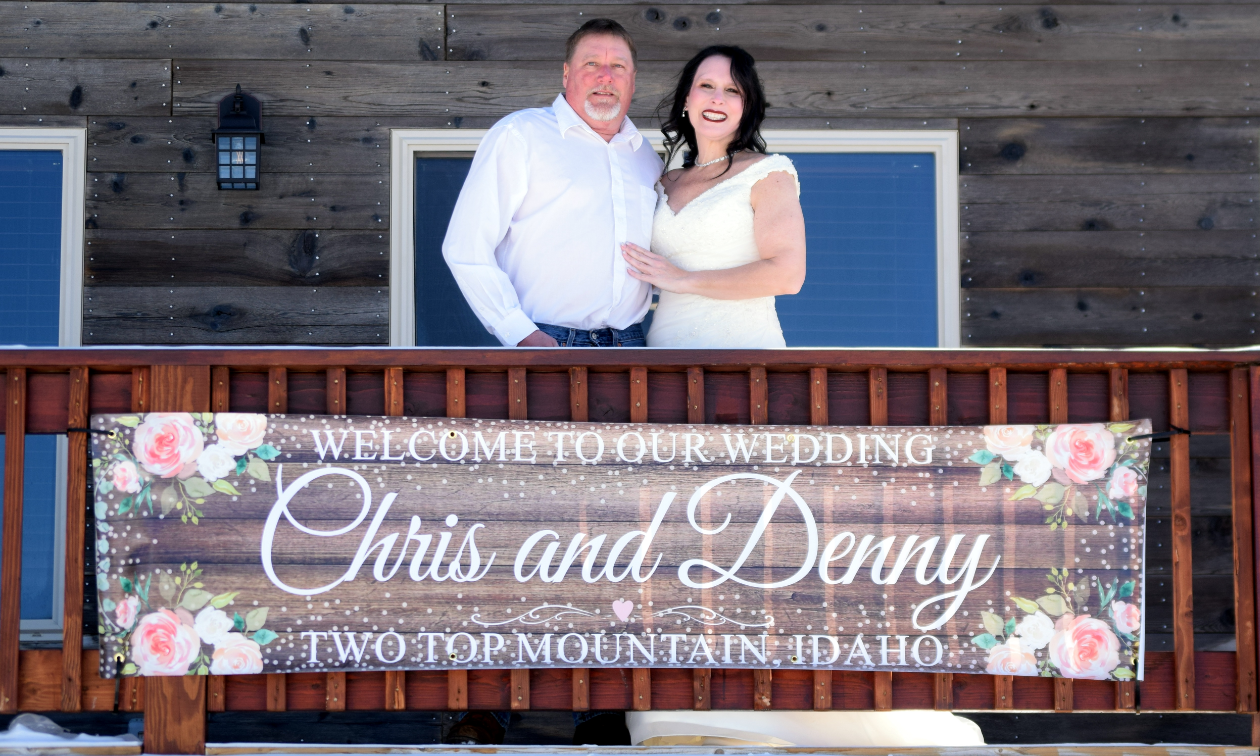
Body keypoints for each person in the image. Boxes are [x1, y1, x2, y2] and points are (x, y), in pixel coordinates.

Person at [441, 19, 661, 348]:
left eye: (618, 65)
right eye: (591, 64)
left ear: (632, 80)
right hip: (547, 342)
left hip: (631, 345)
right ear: (566, 74)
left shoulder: (646, 158)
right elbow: (465, 247)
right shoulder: (521, 135)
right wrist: (520, 333)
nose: (605, 76)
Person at [620, 46, 806, 348]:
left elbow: (788, 275)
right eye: (706, 86)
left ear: (746, 107)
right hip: (664, 356)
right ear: (687, 99)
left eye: (732, 90)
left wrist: (684, 279)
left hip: (744, 360)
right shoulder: (663, 182)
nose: (717, 98)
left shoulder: (768, 174)